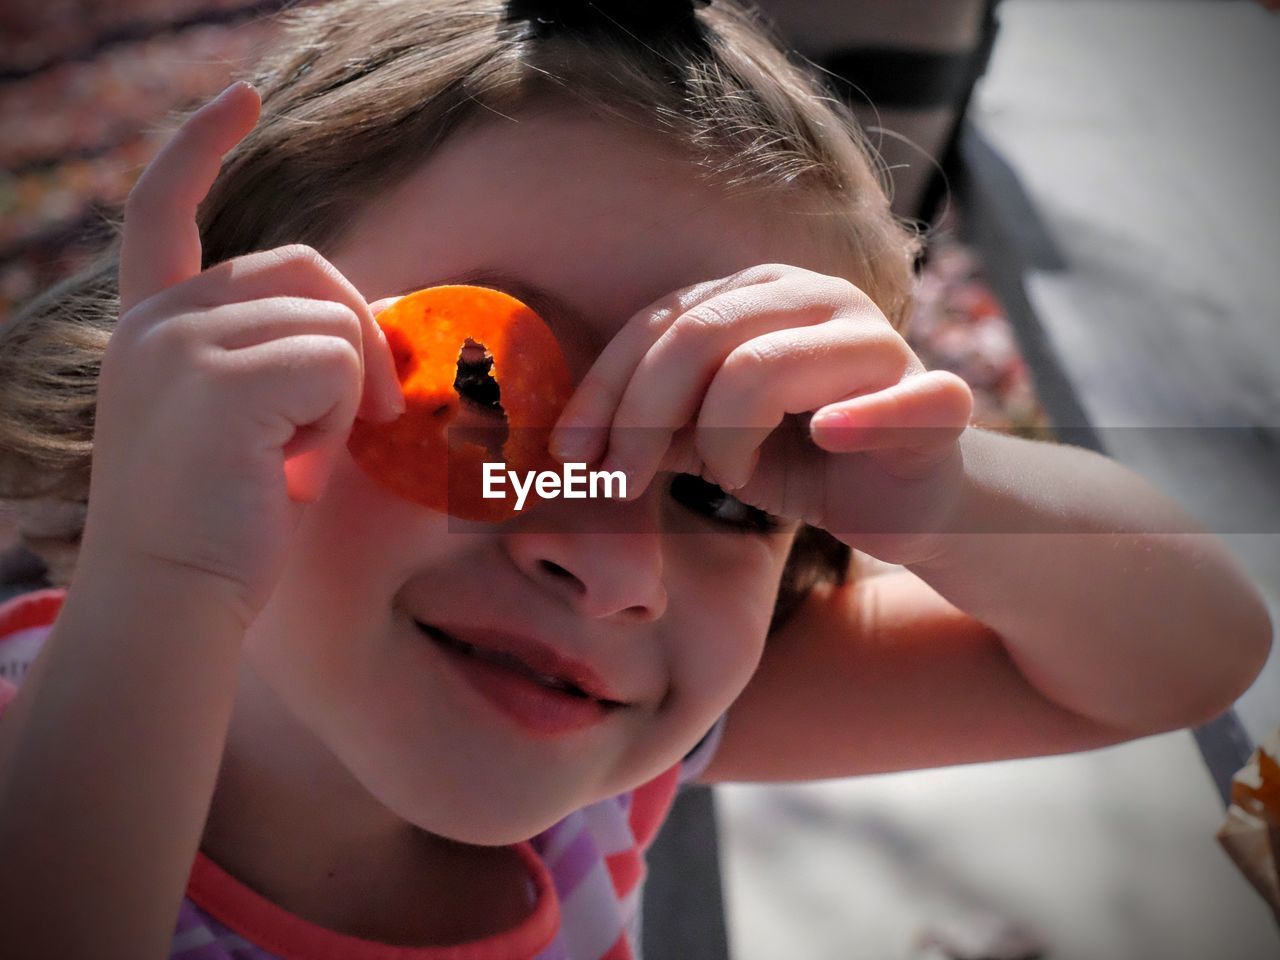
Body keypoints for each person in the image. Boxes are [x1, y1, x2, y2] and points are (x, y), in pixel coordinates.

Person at [0, 1, 1270, 957]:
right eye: (474, 402)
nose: (608, 562)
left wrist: (948, 499)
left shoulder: (609, 733)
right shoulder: (45, 783)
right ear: (212, 369)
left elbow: (1188, 659)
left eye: (718, 487)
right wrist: (166, 580)